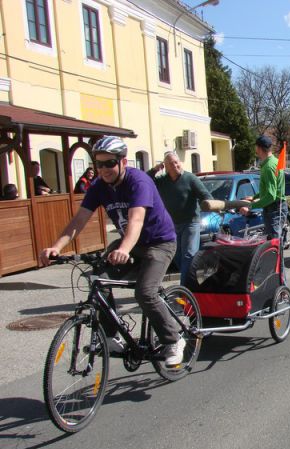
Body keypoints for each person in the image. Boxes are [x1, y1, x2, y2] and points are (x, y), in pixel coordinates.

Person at [39, 136, 184, 367]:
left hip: (159, 242)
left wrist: (124, 248)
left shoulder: (139, 182)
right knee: (98, 279)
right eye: (99, 164)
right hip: (130, 244)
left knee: (145, 292)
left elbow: (136, 220)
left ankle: (173, 339)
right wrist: (56, 247)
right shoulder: (98, 186)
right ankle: (111, 336)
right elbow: (79, 220)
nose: (104, 169)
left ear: (123, 162)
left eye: (109, 163)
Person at [148, 152, 213, 285]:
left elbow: (205, 195)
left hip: (191, 222)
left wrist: (210, 205)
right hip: (171, 225)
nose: (175, 165)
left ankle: (185, 288)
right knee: (176, 256)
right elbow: (145, 180)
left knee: (188, 255)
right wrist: (155, 169)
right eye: (171, 163)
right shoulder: (162, 181)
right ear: (165, 166)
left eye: (177, 162)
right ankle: (191, 280)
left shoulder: (190, 178)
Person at [239, 135, 288, 239]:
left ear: (259, 148)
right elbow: (271, 189)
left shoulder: (268, 167)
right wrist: (255, 197)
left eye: (256, 147)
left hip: (274, 209)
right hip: (276, 207)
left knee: (273, 243)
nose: (255, 150)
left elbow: (271, 196)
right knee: (272, 242)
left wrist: (250, 207)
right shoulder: (274, 162)